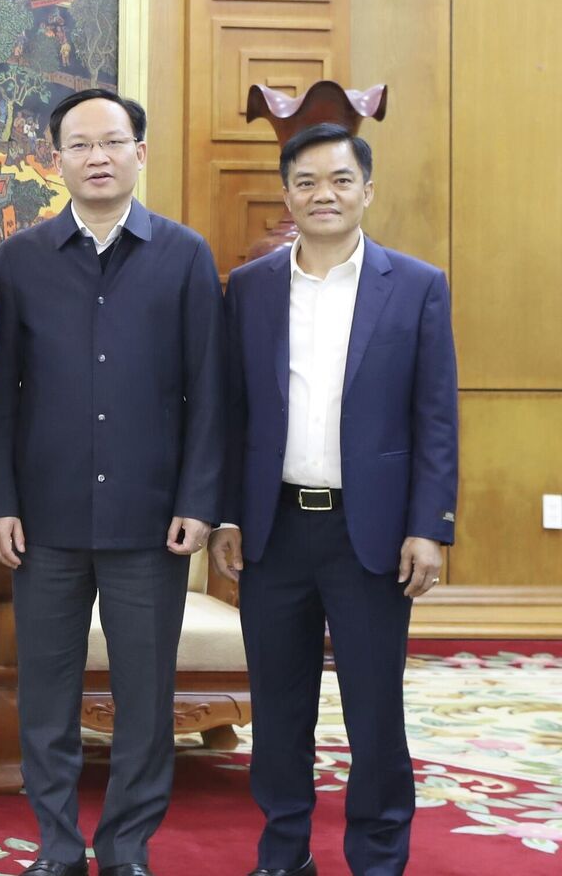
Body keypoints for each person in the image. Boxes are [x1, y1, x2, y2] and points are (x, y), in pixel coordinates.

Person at [0, 89, 224, 876]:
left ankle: (125, 848)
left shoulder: (184, 255)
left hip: (150, 521)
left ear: (139, 153)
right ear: (57, 161)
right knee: (45, 695)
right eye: (79, 145)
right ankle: (56, 845)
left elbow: (209, 391)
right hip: (43, 520)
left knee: (145, 700)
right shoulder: (20, 260)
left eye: (112, 142)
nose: (97, 157)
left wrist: (200, 502)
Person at [211, 124, 457, 876]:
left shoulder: (415, 285)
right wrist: (228, 513)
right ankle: (284, 852)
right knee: (278, 708)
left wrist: (429, 525)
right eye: (308, 182)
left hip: (370, 534)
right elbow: (232, 411)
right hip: (274, 531)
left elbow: (435, 416)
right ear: (287, 195)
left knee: (374, 711)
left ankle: (377, 857)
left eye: (341, 180)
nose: (325, 194)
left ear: (367, 191)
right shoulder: (250, 288)